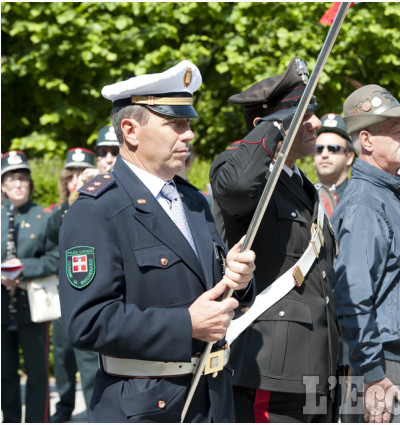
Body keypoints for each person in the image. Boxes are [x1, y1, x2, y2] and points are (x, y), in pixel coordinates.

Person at [57, 60, 256, 422]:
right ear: (131, 131)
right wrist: (185, 325)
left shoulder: (193, 200)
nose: (189, 134)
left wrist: (238, 280)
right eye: (175, 123)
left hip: (212, 399)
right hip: (147, 406)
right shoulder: (97, 210)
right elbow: (86, 321)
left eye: (189, 123)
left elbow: (213, 293)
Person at [210, 57, 340, 422]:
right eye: (302, 114)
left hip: (315, 366)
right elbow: (235, 188)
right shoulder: (241, 175)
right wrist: (273, 125)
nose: (315, 123)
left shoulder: (301, 186)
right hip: (271, 368)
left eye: (312, 111)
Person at [331, 84, 400, 423]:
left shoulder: (390, 194)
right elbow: (353, 297)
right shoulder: (366, 203)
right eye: (398, 132)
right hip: (388, 368)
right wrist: (373, 375)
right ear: (366, 141)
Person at [1, 150, 58, 423]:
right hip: (2, 305)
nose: (18, 184)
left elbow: (56, 258)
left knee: (37, 374)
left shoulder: (43, 216)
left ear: (30, 183)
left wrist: (23, 268)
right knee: (5, 374)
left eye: (23, 178)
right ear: (2, 185)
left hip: (32, 306)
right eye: (11, 179)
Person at [47, 148, 99, 423]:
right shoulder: (59, 211)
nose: (76, 181)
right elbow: (49, 239)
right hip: (60, 296)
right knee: (62, 357)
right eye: (71, 176)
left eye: (82, 175)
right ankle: (64, 408)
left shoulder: (97, 204)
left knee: (88, 360)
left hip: (87, 294)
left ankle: (93, 411)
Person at [314, 113, 355, 202]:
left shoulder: (359, 197)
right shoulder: (303, 197)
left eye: (333, 148)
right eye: (319, 149)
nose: (324, 154)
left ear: (349, 157)